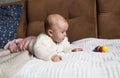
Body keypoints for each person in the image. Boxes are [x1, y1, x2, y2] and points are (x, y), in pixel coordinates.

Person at [4, 14, 83, 62]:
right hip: (29, 44)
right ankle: (12, 43)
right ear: (50, 33)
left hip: (34, 38)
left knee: (33, 39)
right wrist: (51, 56)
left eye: (65, 31)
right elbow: (38, 50)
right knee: (17, 47)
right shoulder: (43, 39)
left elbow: (66, 45)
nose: (65, 34)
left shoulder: (62, 39)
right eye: (62, 32)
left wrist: (72, 49)